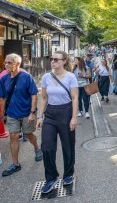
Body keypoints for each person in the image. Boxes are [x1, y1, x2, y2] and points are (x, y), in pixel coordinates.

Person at [37, 50, 79, 193]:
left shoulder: (70, 77)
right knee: (47, 147)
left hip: (66, 112)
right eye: (51, 59)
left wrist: (74, 117)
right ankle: (51, 177)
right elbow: (44, 98)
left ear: (64, 61)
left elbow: (74, 98)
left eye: (56, 59)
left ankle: (68, 174)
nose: (53, 61)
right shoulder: (46, 77)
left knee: (68, 146)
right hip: (50, 114)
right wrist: (39, 116)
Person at [0, 53, 42, 177]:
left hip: (26, 112)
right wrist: (2, 115)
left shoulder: (26, 77)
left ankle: (37, 148)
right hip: (12, 113)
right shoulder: (3, 79)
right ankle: (15, 164)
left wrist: (32, 113)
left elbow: (34, 95)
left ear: (17, 64)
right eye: (5, 62)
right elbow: (2, 98)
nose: (6, 65)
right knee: (13, 136)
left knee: (28, 134)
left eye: (9, 62)